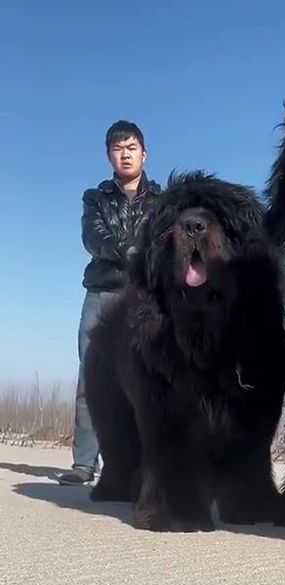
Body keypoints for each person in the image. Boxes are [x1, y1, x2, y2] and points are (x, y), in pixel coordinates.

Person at [59, 120, 161, 485]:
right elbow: (94, 237)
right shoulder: (96, 197)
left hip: (144, 296)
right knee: (93, 376)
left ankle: (142, 465)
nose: (125, 154)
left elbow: (164, 242)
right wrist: (133, 251)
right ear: (109, 156)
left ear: (144, 154)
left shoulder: (163, 201)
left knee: (146, 378)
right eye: (118, 148)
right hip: (101, 294)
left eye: (132, 147)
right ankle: (84, 464)